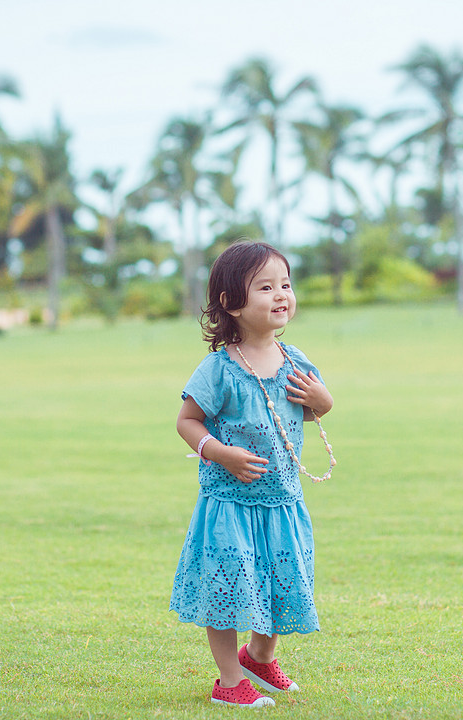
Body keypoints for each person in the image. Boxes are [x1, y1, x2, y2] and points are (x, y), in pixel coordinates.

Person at [171, 240, 336, 708]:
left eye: (285, 284)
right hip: (230, 503)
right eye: (265, 287)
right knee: (227, 588)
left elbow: (308, 410)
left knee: (280, 581)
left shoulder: (296, 361)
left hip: (282, 499)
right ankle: (228, 680)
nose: (281, 294)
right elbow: (187, 421)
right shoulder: (219, 369)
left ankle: (259, 658)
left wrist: (324, 401)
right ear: (232, 303)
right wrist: (220, 452)